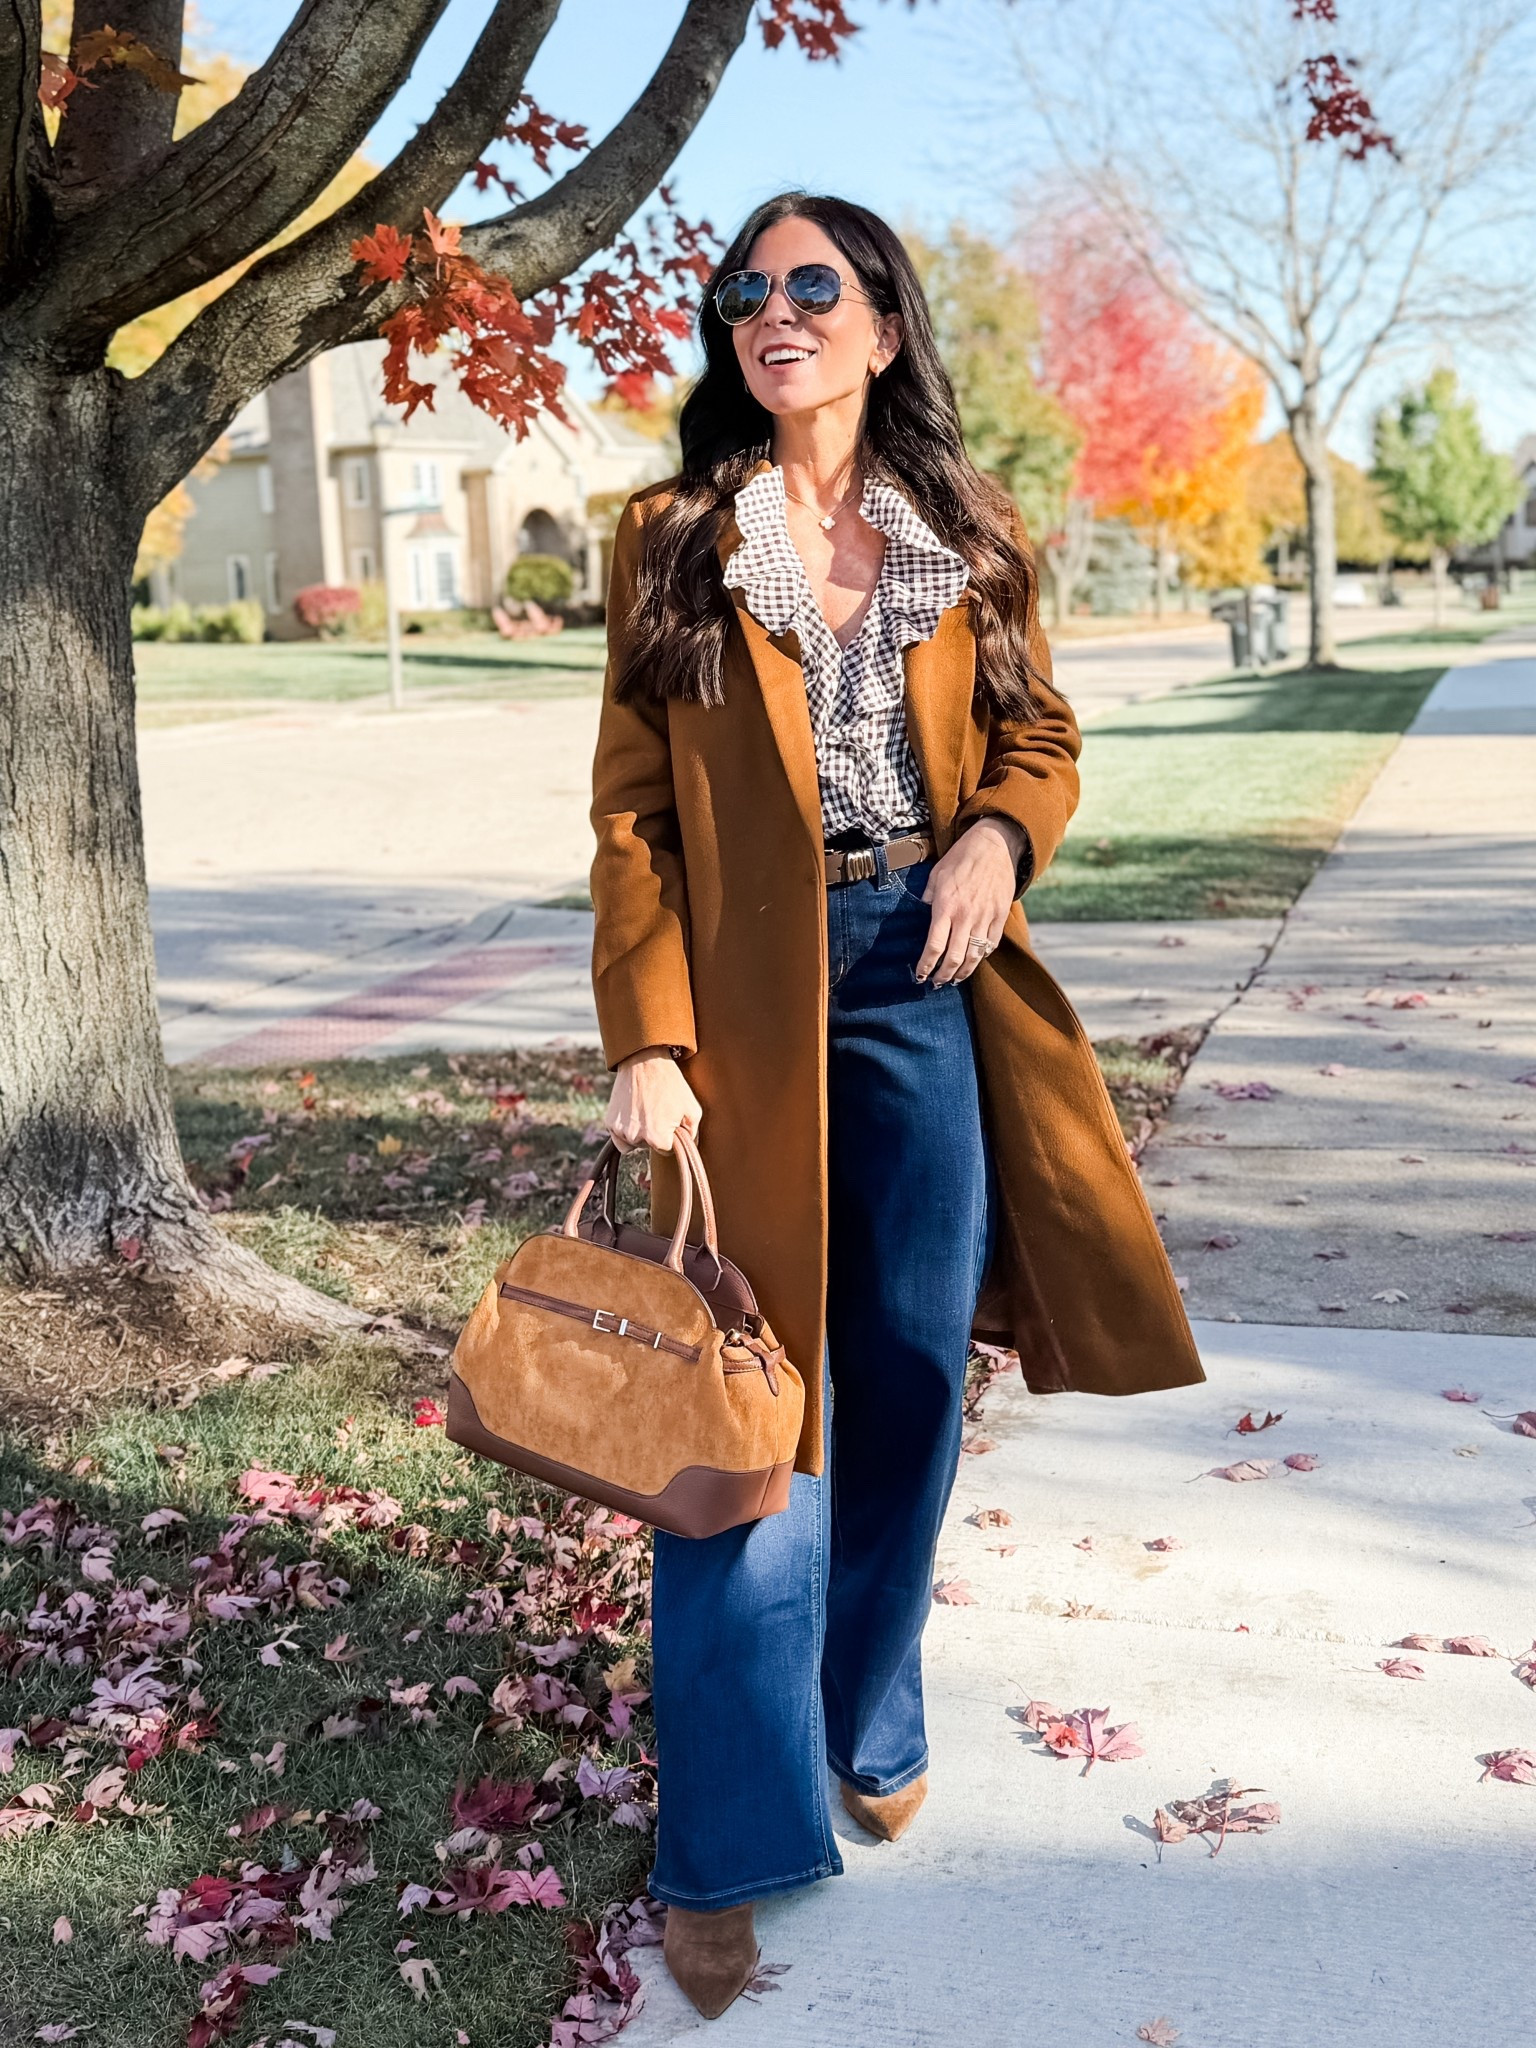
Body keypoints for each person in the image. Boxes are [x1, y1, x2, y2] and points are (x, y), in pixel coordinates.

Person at [589, 191, 1203, 2019]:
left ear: (879, 325)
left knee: (916, 1374)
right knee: (735, 1414)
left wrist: (1001, 842)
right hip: (747, 1007)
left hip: (925, 986)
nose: (769, 313)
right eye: (744, 292)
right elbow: (634, 813)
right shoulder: (674, 537)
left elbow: (1040, 732)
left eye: (809, 288)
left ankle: (870, 1706)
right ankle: (719, 1838)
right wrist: (649, 1036)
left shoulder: (967, 530)